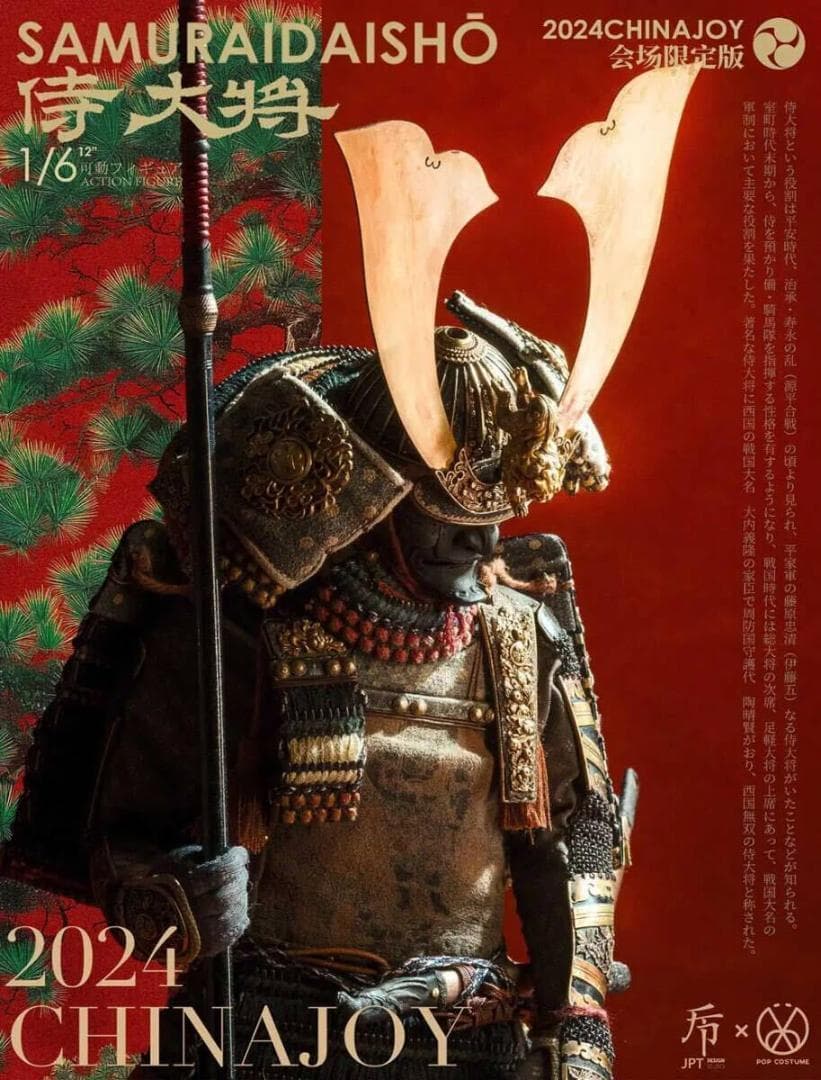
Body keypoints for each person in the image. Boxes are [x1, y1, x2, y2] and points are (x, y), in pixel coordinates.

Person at [8, 292, 635, 1080]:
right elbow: (118, 837)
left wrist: (576, 1025)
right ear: (376, 497)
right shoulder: (243, 632)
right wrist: (178, 895)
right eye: (448, 517)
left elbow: (573, 842)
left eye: (496, 518)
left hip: (469, 1042)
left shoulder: (519, 637)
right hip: (268, 1034)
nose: (481, 544)